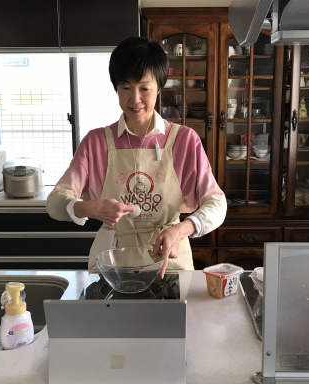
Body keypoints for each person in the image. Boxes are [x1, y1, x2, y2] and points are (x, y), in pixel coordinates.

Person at [46, 37, 227, 277]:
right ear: (116, 88)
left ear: (159, 87)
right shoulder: (96, 142)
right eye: (126, 88)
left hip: (170, 261)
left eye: (144, 88)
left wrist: (182, 229)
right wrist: (88, 207)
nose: (135, 99)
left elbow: (217, 203)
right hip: (113, 265)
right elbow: (54, 203)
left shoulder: (184, 140)